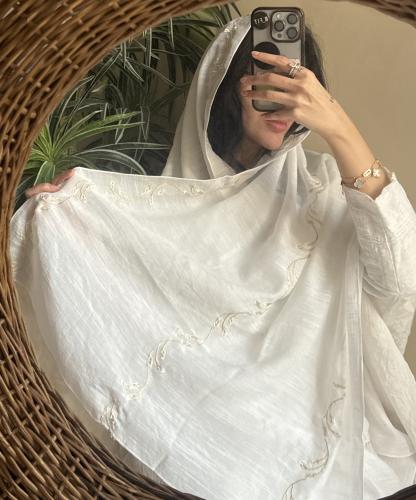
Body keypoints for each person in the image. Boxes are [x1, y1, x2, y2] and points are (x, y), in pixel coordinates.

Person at [13, 15, 416, 500]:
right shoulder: (165, 204)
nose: (282, 103)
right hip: (210, 434)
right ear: (225, 85)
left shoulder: (327, 186)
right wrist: (69, 208)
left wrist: (340, 129)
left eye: (296, 86)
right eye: (265, 81)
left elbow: (400, 280)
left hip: (305, 418)